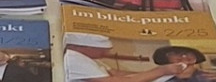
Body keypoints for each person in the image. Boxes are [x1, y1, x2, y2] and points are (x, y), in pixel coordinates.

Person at [63, 33, 198, 81]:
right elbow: (116, 81)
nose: (105, 54)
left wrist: (159, 75)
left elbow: (118, 74)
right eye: (102, 51)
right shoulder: (74, 57)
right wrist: (161, 71)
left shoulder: (93, 60)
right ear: (86, 48)